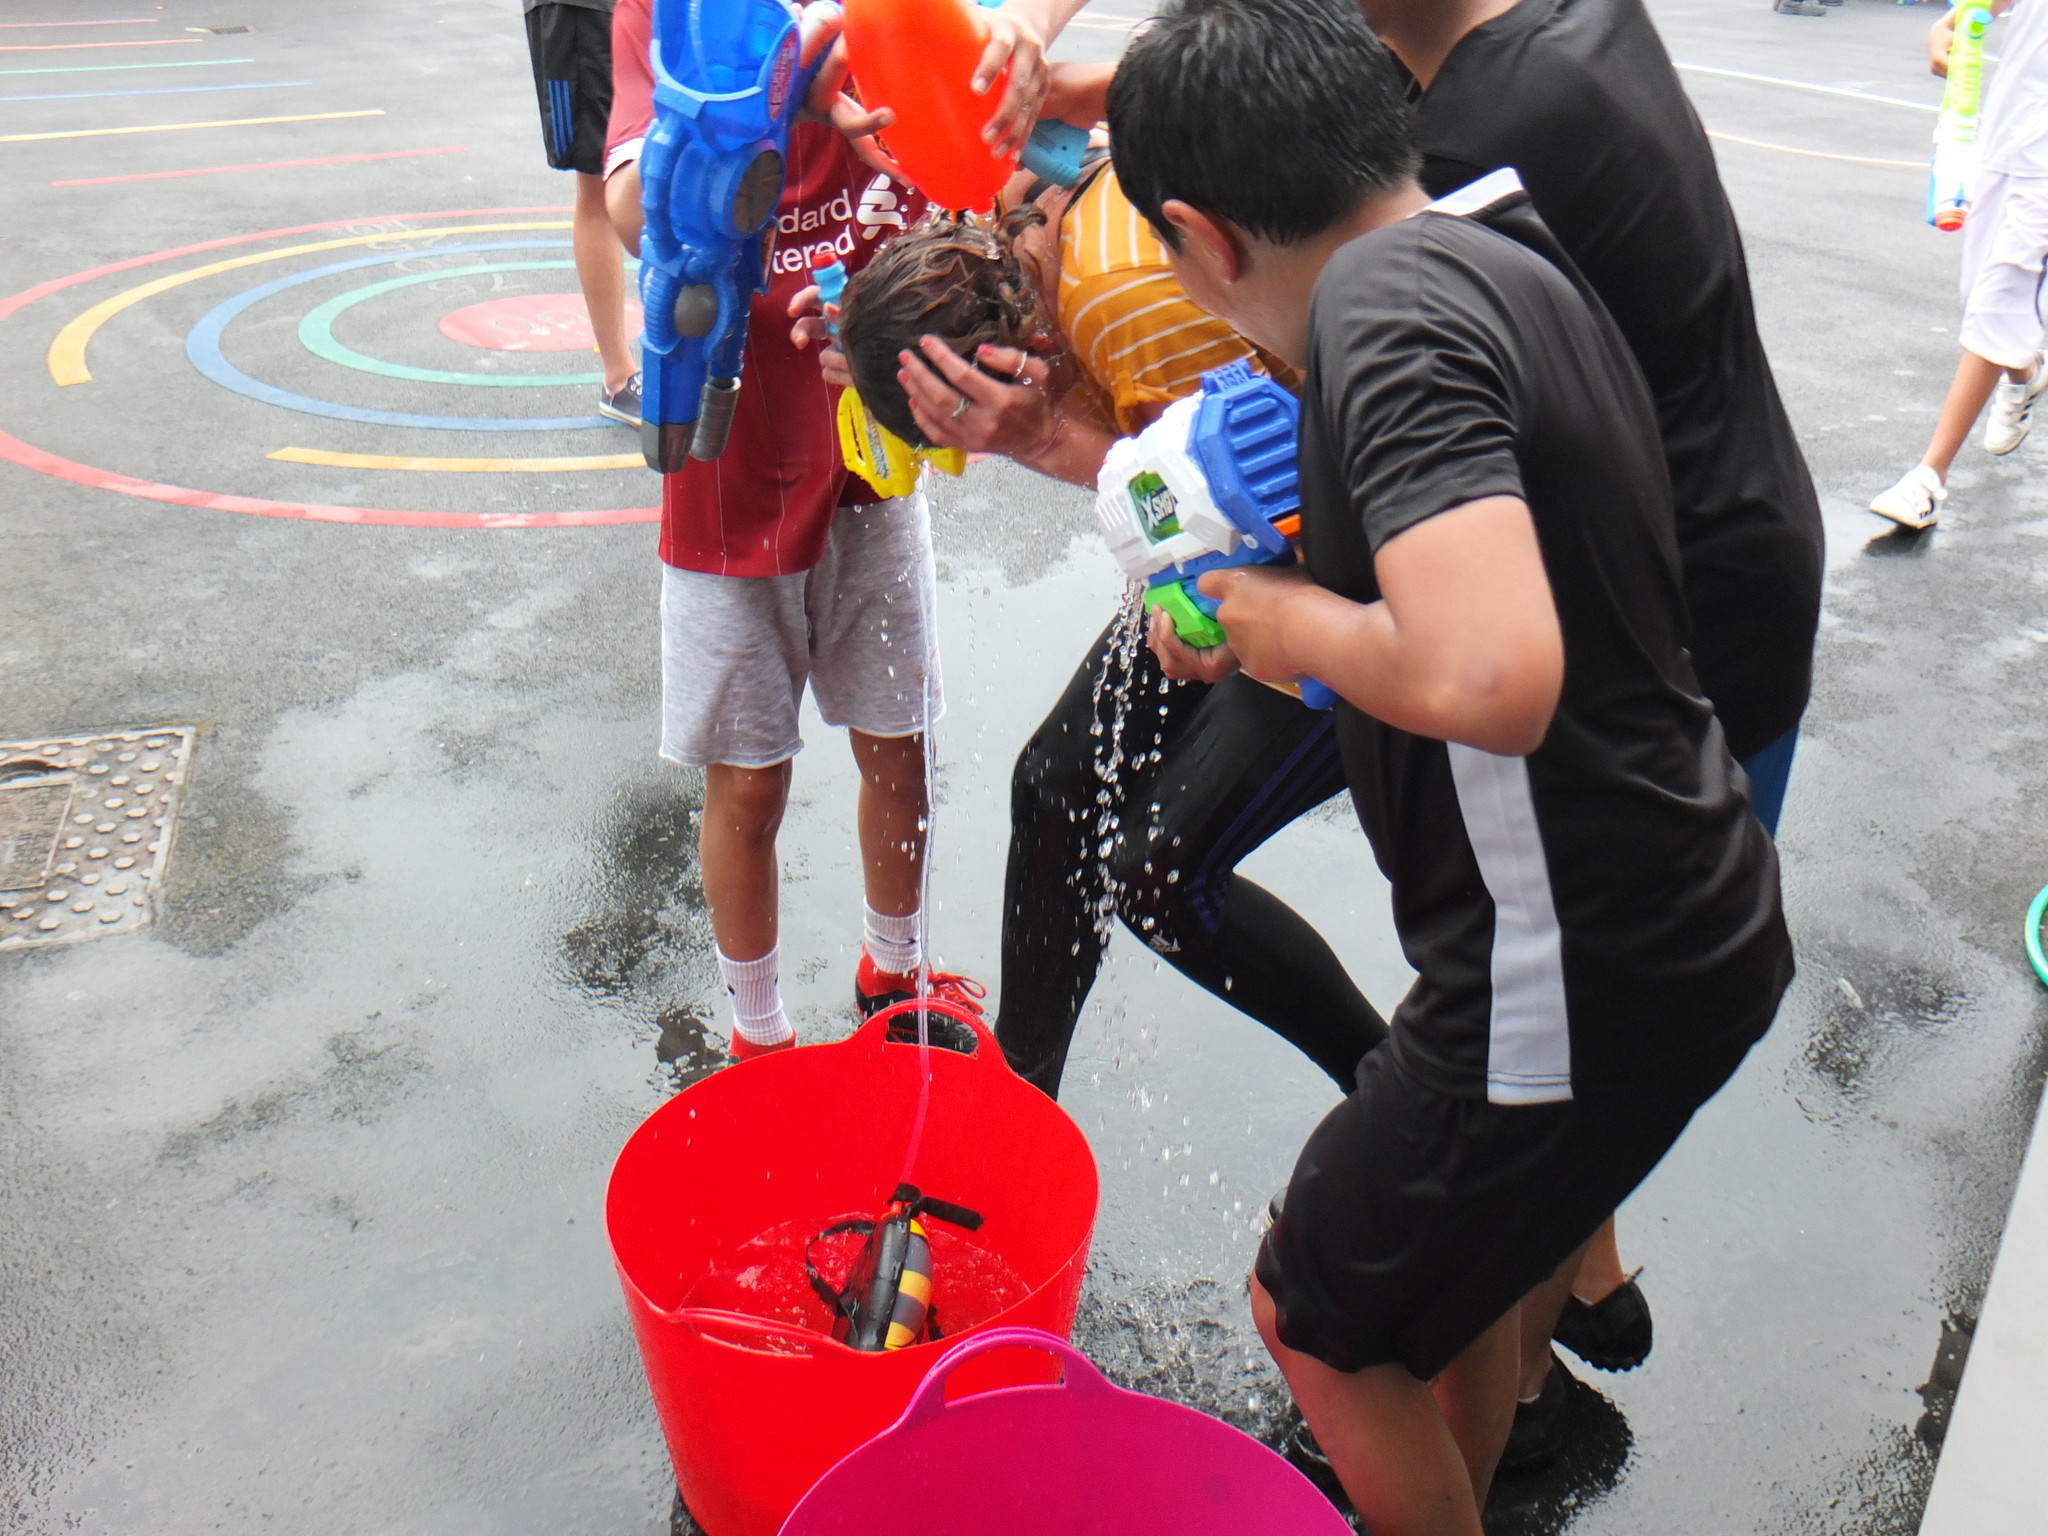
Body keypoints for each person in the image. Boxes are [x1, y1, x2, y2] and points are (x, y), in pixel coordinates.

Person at [1107, 0, 1794, 1529]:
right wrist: (1269, 620)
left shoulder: (1383, 319)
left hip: (1572, 969)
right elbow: (1473, 592)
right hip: (1678, 899)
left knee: (1315, 1311)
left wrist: (1278, 619)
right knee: (1451, 1291)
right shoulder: (1495, 241)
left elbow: (1490, 674)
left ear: (1202, 235)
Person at [817, 106, 1391, 1096]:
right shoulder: (1014, 225)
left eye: (962, 435)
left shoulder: (1131, 313)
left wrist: (1048, 442)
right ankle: (1020, 1102)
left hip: (1365, 568)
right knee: (1055, 788)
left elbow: (1230, 514)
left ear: (1006, 363)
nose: (975, 453)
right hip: (1257, 514)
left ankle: (1395, 1097)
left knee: (1159, 874)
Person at [601, 0, 1068, 1055]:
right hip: (728, 449)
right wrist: (772, 100)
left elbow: (982, 158)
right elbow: (634, 209)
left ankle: (892, 975)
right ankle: (757, 1032)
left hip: (874, 442)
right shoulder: (671, 13)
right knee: (749, 777)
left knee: (900, 743)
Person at [1871, 0, 2048, 532]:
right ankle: (2025, 372)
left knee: (2001, 296)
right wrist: (1952, 22)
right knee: (1979, 299)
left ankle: (1928, 477)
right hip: (2008, 132)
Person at [522, 0, 642, 426]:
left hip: (648, 11)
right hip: (584, 11)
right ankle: (618, 377)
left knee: (679, 157)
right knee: (599, 176)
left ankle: (689, 365)